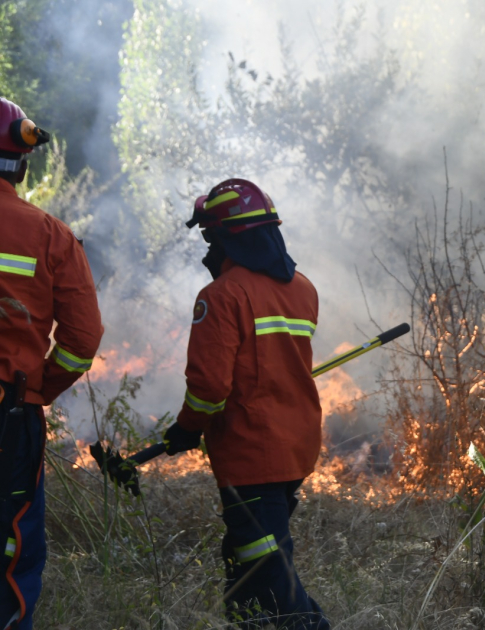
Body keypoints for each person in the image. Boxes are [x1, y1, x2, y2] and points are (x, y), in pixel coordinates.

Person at [162, 178, 330, 629]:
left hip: (252, 453)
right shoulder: (304, 290)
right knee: (244, 572)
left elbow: (210, 387)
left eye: (209, 236)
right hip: (294, 448)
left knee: (271, 578)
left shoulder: (221, 296)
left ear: (224, 237)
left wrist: (186, 427)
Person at [0, 97, 104, 630]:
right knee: (10, 545)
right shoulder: (50, 235)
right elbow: (83, 340)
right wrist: (39, 386)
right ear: (20, 160)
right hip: (9, 412)